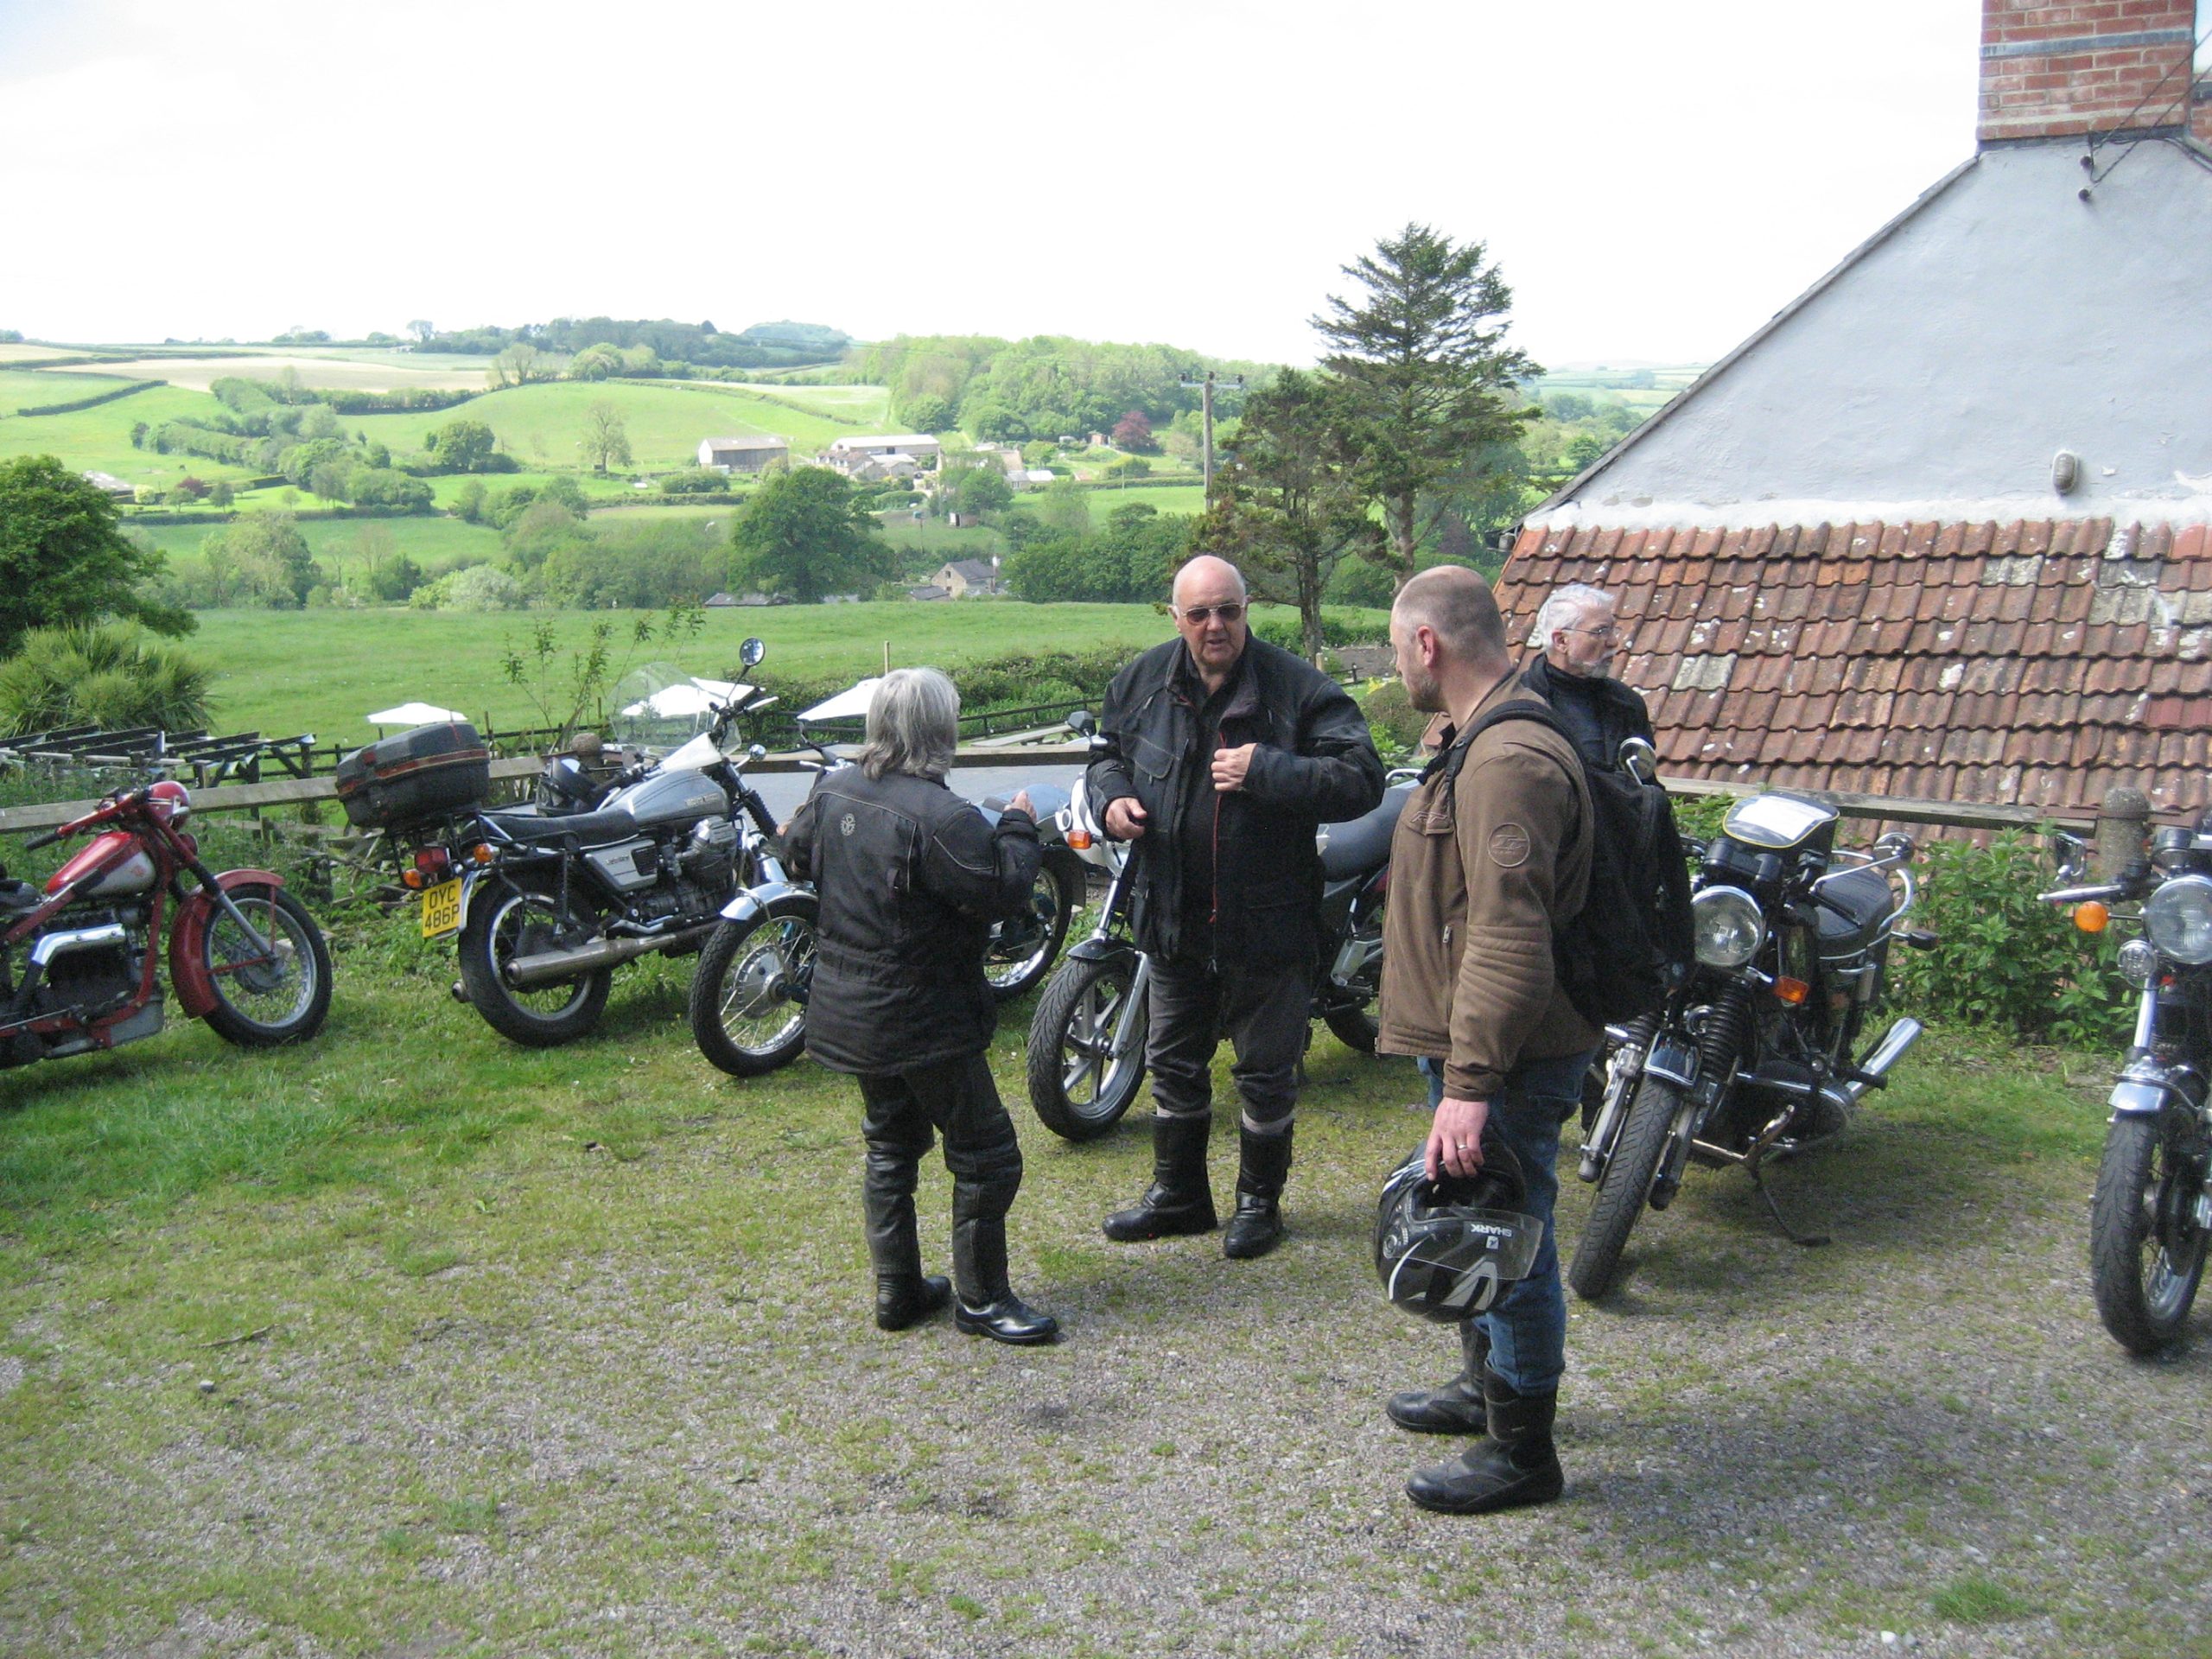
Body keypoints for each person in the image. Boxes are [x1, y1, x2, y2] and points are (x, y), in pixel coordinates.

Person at [1376, 565, 1599, 1515]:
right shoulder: (1475, 735)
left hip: (1508, 1057)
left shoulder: (1508, 760)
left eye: (1399, 650)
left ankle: (1523, 1451)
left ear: (1427, 644)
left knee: (1514, 1238)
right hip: (1482, 1045)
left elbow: (1510, 935)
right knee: (1481, 1223)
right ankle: (1484, 1387)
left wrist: (1470, 1084)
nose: (1397, 669)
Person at [1087, 554, 1385, 1260]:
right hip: (1173, 916)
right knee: (1173, 1063)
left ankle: (1259, 1205)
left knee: (1266, 1071)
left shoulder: (1298, 688)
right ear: (1176, 618)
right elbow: (1104, 756)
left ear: (1247, 610)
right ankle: (1180, 1197)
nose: (1215, 625)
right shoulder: (1141, 681)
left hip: (1269, 920)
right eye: (1200, 613)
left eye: (1228, 610)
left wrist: (1267, 769)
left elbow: (1362, 779)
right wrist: (1111, 800)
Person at [783, 668, 1059, 1346]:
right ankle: (982, 1300)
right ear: (941, 730)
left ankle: (898, 1289)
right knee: (987, 1154)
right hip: (921, 1015)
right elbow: (1002, 892)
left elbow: (795, 855)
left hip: (850, 1007)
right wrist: (1019, 825)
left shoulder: (833, 789)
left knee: (891, 1143)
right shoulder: (944, 817)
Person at [1521, 582, 1654, 773]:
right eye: (1600, 632)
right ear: (1562, 641)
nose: (1613, 642)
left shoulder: (1627, 704)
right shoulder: (1520, 702)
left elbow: (1645, 779)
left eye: (1613, 630)